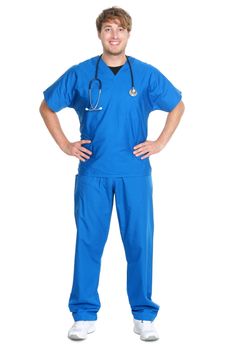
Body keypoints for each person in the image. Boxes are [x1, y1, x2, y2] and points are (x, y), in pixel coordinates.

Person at [39, 6, 185, 342]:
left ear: (129, 34)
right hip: (93, 173)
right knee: (88, 242)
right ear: (100, 34)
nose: (114, 35)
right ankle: (84, 314)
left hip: (134, 172)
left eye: (120, 29)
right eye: (108, 29)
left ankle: (143, 316)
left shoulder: (145, 75)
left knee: (139, 244)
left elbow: (177, 104)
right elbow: (47, 106)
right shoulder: (80, 73)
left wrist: (160, 142)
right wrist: (65, 144)